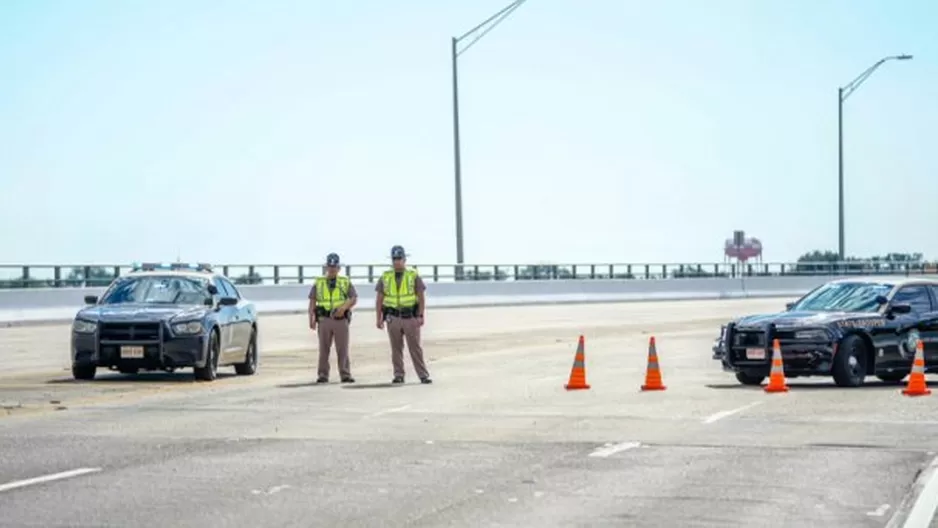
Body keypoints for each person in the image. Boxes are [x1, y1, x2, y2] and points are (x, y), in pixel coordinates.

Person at [375, 245, 432, 384]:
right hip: (393, 317)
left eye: (399, 258)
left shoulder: (413, 275)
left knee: (415, 348)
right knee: (396, 348)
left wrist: (420, 315)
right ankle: (398, 375)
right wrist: (379, 318)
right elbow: (379, 299)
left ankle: (423, 375)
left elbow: (421, 296)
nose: (397, 261)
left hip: (410, 317)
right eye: (394, 259)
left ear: (405, 259)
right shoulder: (385, 276)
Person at [308, 252, 357, 383]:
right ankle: (323, 375)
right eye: (330, 266)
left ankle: (345, 374)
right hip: (324, 319)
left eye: (334, 267)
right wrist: (311, 318)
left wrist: (343, 308)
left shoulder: (345, 282)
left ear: (339, 268)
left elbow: (353, 298)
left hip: (341, 320)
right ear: (326, 267)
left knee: (343, 349)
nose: (332, 269)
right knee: (324, 349)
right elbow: (312, 301)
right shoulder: (319, 282)